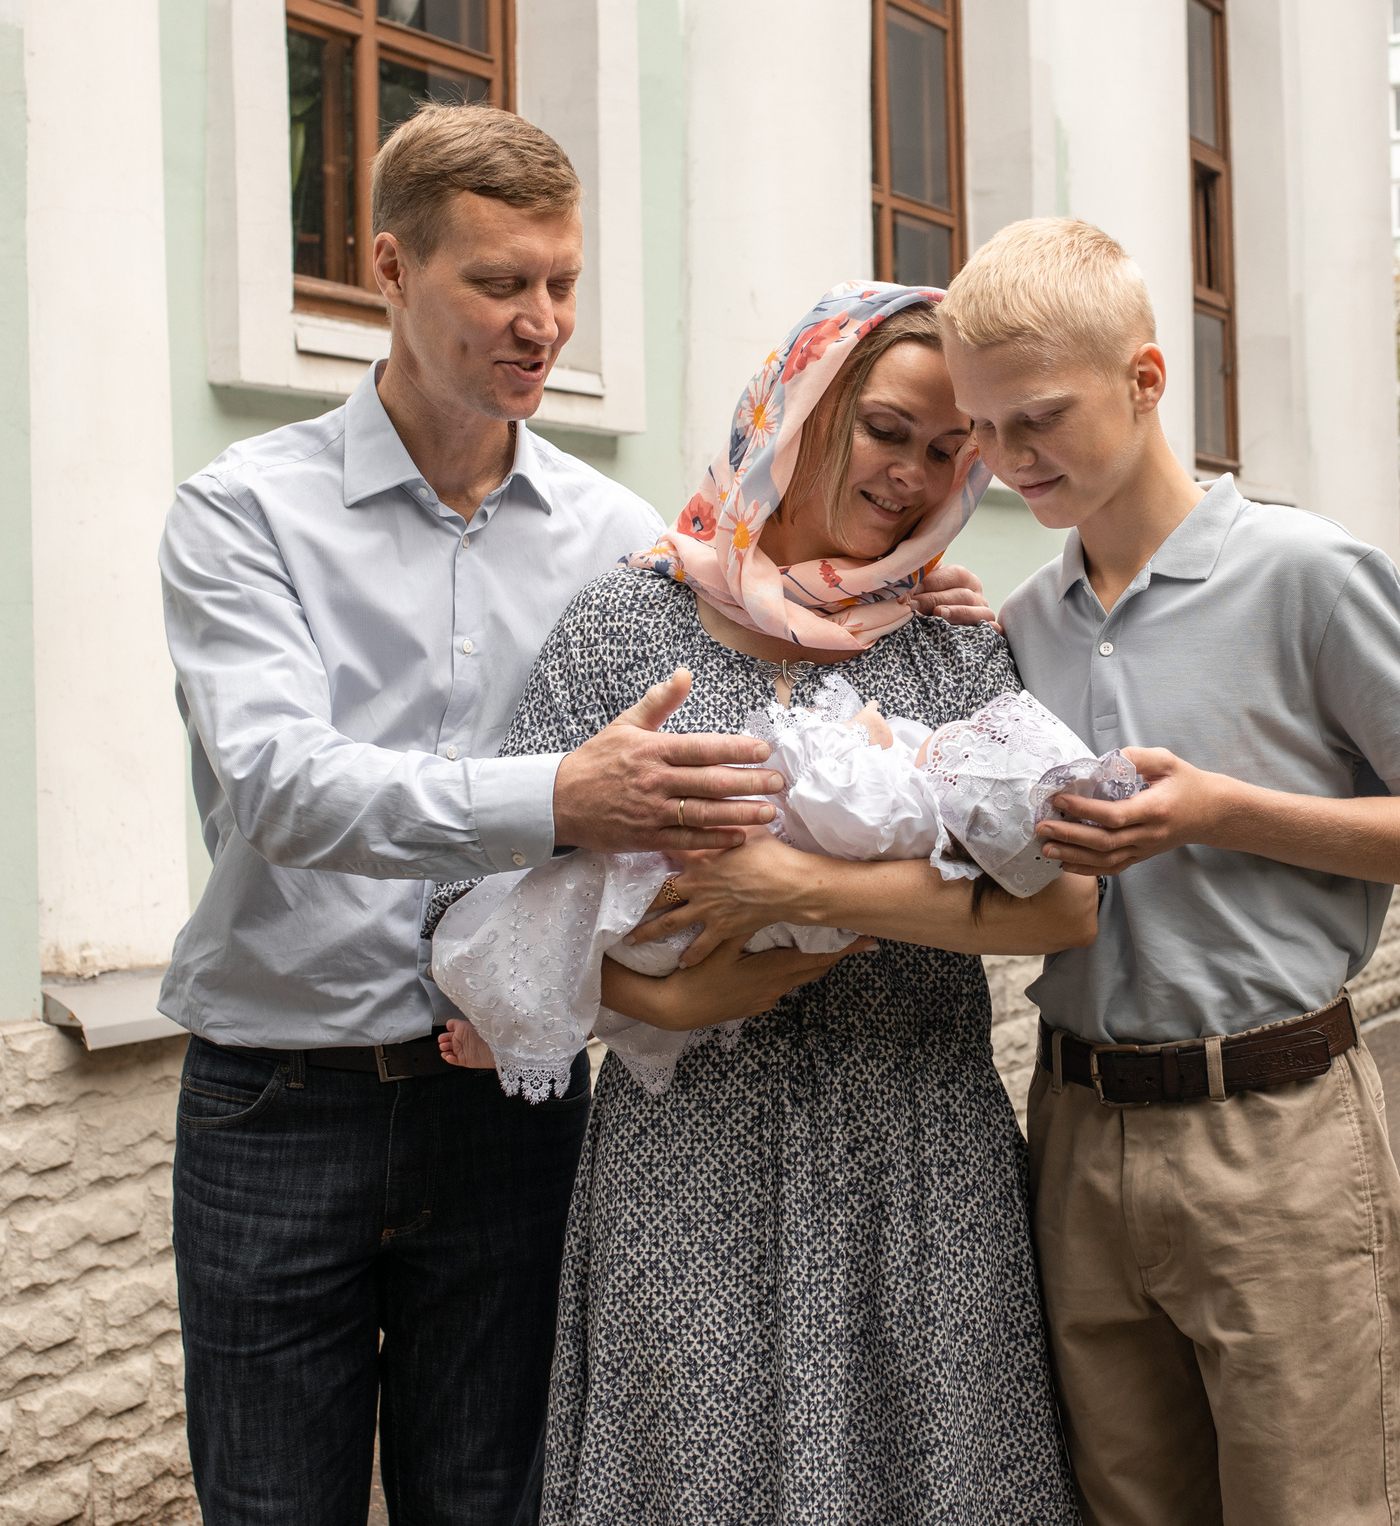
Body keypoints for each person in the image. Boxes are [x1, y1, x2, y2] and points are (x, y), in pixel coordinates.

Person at [155, 109, 987, 1526]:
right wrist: (560, 795)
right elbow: (275, 782)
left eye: (561, 283)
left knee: (491, 1497)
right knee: (270, 1501)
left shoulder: (622, 539)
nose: (539, 321)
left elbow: (777, 594)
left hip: (511, 1101)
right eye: (498, 283)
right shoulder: (245, 513)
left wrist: (920, 585)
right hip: (281, 1089)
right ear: (388, 269)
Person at [436, 282, 1090, 1523]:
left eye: (952, 449)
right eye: (888, 429)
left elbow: (1058, 905)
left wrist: (797, 883)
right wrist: (661, 990)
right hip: (687, 1164)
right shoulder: (628, 624)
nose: (914, 474)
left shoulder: (954, 647)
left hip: (919, 1152)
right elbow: (466, 913)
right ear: (798, 410)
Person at [939, 217, 1400, 1526]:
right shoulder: (1024, 622)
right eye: (983, 429)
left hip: (1278, 1128)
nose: (1007, 459)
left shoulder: (1308, 574)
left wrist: (1220, 812)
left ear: (1147, 380)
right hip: (1077, 1128)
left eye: (1037, 417)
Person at [429, 674, 1134, 1096]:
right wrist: (668, 1005)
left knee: (575, 911)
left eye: (967, 744)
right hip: (702, 986)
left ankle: (510, 1018)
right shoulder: (625, 606)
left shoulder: (913, 803)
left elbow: (829, 788)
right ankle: (515, 1022)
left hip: (692, 902)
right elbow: (483, 845)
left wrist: (859, 736)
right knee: (575, 917)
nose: (956, 733)